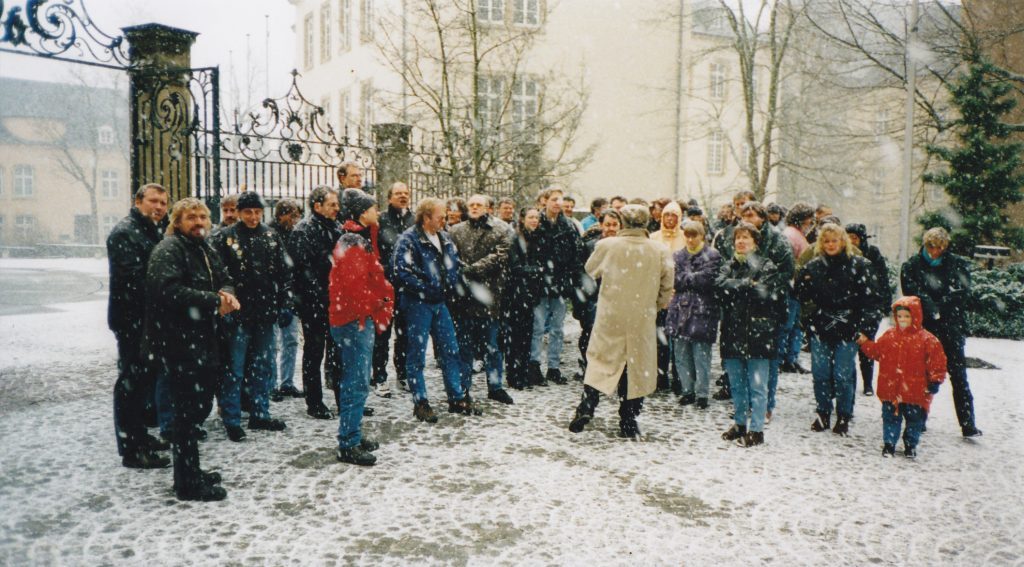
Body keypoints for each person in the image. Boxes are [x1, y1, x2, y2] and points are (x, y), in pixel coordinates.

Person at [145, 198, 238, 501]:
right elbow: (167, 291)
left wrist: (226, 294)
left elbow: (224, 277)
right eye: (191, 218)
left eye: (202, 217)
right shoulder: (170, 249)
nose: (198, 223)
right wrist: (214, 301)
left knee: (196, 408)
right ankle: (187, 482)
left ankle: (190, 469)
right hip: (178, 342)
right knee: (186, 414)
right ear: (177, 221)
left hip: (202, 339)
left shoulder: (204, 247)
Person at [568, 205, 673, 438]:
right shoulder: (659, 250)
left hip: (610, 314)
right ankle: (628, 418)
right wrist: (653, 306)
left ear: (622, 222)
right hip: (641, 317)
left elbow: (590, 269)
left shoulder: (607, 245)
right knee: (636, 368)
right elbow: (667, 287)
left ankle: (588, 404)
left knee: (599, 361)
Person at [211, 191, 291, 441]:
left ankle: (260, 412)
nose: (254, 217)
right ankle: (232, 418)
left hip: (265, 313)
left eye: (257, 212)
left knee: (262, 366)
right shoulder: (225, 237)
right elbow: (219, 275)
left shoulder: (270, 235)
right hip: (238, 313)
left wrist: (284, 301)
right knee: (234, 368)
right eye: (248, 212)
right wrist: (227, 305)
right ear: (239, 212)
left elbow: (282, 271)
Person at [392, 198, 475, 422]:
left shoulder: (445, 237)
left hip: (440, 303)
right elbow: (402, 272)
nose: (444, 220)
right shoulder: (408, 239)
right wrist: (428, 289)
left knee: (451, 349)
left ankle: (456, 397)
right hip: (417, 304)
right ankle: (421, 402)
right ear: (426, 217)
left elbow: (454, 266)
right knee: (416, 354)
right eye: (440, 217)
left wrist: (455, 286)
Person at [328, 189, 395, 466]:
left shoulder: (354, 239)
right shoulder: (354, 242)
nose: (376, 212)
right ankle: (348, 443)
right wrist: (378, 301)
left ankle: (351, 433)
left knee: (354, 381)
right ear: (360, 212)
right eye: (372, 208)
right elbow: (355, 287)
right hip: (355, 321)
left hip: (352, 319)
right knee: (356, 383)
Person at [107, 183, 171, 469]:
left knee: (144, 381)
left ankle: (140, 435)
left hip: (150, 319)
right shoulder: (125, 232)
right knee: (131, 383)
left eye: (163, 203)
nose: (158, 207)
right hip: (132, 319)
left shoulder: (152, 230)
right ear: (137, 201)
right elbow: (133, 279)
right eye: (153, 201)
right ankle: (131, 448)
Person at [796, 223, 877, 436]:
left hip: (848, 326)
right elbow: (801, 296)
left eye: (835, 240)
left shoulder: (859, 265)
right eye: (826, 241)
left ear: (843, 242)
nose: (831, 245)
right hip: (821, 325)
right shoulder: (812, 267)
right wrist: (809, 319)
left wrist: (866, 329)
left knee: (843, 374)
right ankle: (823, 411)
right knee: (820, 372)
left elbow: (871, 300)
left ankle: (844, 414)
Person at [900, 227, 982, 437]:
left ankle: (967, 422)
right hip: (924, 326)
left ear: (945, 247)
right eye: (931, 246)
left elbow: (962, 292)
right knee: (921, 374)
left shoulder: (956, 264)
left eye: (939, 247)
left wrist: (941, 307)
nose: (934, 251)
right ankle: (919, 416)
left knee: (958, 375)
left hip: (950, 326)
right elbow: (912, 291)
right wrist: (931, 307)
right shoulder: (912, 265)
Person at [715, 222, 785, 447]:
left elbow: (764, 293)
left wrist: (738, 288)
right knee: (736, 384)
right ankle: (739, 423)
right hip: (733, 332)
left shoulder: (767, 266)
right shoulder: (729, 265)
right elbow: (718, 287)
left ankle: (756, 429)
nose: (741, 242)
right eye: (738, 238)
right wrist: (745, 284)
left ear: (755, 241)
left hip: (759, 333)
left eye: (746, 237)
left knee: (757, 385)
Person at [857, 297, 947, 458]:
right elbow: (877, 351)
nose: (903, 320)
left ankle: (910, 445)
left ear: (916, 316)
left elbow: (937, 363)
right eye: (900, 316)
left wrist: (935, 380)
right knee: (890, 418)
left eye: (907, 316)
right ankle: (889, 444)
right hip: (891, 390)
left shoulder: (928, 340)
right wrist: (865, 343)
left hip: (915, 392)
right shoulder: (890, 336)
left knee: (915, 421)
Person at [448, 194, 516, 405]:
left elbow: (501, 255)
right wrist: (463, 272)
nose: (475, 208)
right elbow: (450, 255)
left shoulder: (502, 229)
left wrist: (472, 269)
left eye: (479, 205)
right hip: (464, 297)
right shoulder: (456, 230)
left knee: (492, 346)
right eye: (472, 205)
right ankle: (463, 387)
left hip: (490, 295)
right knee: (464, 346)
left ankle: (495, 386)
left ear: (488, 207)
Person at [288, 185, 342, 420]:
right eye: (332, 204)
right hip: (314, 303)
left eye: (337, 204)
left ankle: (344, 399)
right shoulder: (304, 230)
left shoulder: (336, 228)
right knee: (314, 352)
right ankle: (315, 401)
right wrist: (318, 296)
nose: (336, 208)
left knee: (338, 353)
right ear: (317, 206)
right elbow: (303, 270)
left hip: (335, 301)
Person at [738, 201, 794, 420]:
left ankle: (766, 403)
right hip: (743, 309)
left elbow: (785, 273)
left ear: (762, 218)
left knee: (767, 358)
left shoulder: (778, 241)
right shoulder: (736, 237)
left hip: (770, 307)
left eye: (752, 215)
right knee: (743, 358)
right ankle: (747, 401)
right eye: (744, 216)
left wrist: (761, 286)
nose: (748, 219)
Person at [529, 187, 584, 386]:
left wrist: (572, 281)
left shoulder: (568, 225)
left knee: (557, 328)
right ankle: (534, 365)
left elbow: (576, 255)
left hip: (560, 284)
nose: (557, 203)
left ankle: (553, 367)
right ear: (544, 201)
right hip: (541, 283)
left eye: (559, 199)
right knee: (537, 327)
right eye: (553, 199)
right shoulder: (536, 222)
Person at [666, 220, 722, 409]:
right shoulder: (678, 255)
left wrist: (687, 279)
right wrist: (692, 278)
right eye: (687, 236)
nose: (690, 240)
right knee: (681, 354)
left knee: (701, 355)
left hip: (702, 309)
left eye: (694, 236)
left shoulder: (713, 255)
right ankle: (687, 390)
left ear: (701, 236)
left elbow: (707, 280)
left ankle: (702, 393)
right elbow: (675, 279)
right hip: (680, 309)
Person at [373, 182, 414, 397]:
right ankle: (379, 376)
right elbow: (375, 249)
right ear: (389, 198)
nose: (402, 196)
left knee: (405, 333)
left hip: (408, 286)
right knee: (382, 332)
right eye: (398, 193)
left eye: (406, 193)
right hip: (385, 285)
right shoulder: (381, 220)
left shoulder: (414, 219)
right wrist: (386, 270)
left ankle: (403, 373)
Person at [572, 209, 622, 382]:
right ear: (601, 225)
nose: (611, 228)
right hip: (593, 298)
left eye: (615, 225)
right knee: (590, 334)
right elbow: (581, 272)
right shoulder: (590, 245)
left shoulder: (625, 247)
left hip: (617, 299)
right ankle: (589, 368)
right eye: (608, 224)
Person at [845, 223, 892, 396]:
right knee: (849, 346)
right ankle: (850, 382)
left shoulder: (872, 254)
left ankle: (867, 383)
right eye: (848, 237)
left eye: (855, 238)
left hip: (869, 306)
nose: (851, 241)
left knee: (867, 344)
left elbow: (883, 280)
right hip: (850, 306)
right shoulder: (844, 254)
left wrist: (883, 305)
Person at [504, 207, 545, 390]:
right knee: (516, 337)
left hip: (530, 294)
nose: (534, 220)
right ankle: (515, 376)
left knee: (527, 335)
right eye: (531, 217)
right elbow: (515, 267)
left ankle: (524, 374)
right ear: (522, 219)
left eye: (536, 217)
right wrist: (536, 270)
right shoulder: (515, 239)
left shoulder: (537, 238)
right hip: (517, 294)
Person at [650, 200, 687, 393]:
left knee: (679, 339)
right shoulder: (654, 237)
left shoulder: (685, 238)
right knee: (660, 338)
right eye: (667, 215)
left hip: (680, 295)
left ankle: (680, 377)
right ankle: (660, 375)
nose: (670, 219)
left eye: (674, 215)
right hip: (658, 295)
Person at [269, 199, 304, 401]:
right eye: (291, 216)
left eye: (296, 216)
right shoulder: (271, 234)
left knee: (290, 340)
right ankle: (272, 383)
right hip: (276, 295)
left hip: (289, 294)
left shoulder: (294, 234)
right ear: (281, 215)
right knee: (273, 343)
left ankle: (287, 382)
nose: (294, 220)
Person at [778, 203, 815, 375]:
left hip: (796, 286)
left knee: (794, 325)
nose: (811, 224)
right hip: (792, 286)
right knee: (789, 324)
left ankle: (790, 359)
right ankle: (785, 359)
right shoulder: (791, 235)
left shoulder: (794, 234)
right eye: (809, 220)